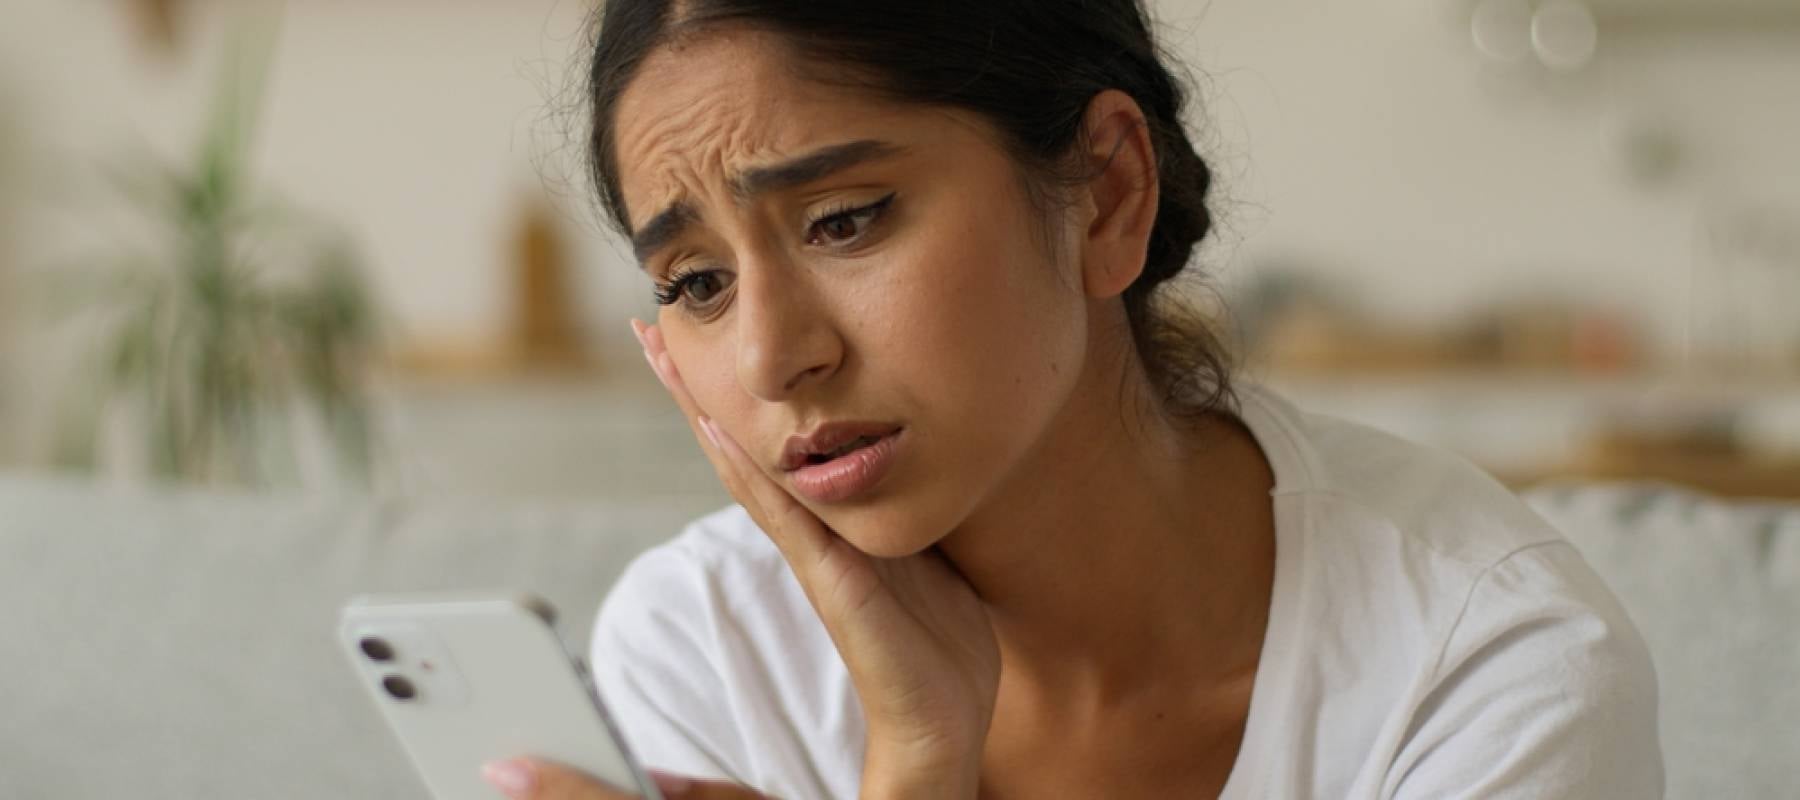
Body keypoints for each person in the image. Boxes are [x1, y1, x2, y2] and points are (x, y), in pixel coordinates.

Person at [479, 1, 1664, 798]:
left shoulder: (1485, 661)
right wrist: (918, 758)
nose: (769, 356)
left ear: (1104, 193)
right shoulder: (706, 647)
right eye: (696, 283)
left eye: (845, 219)